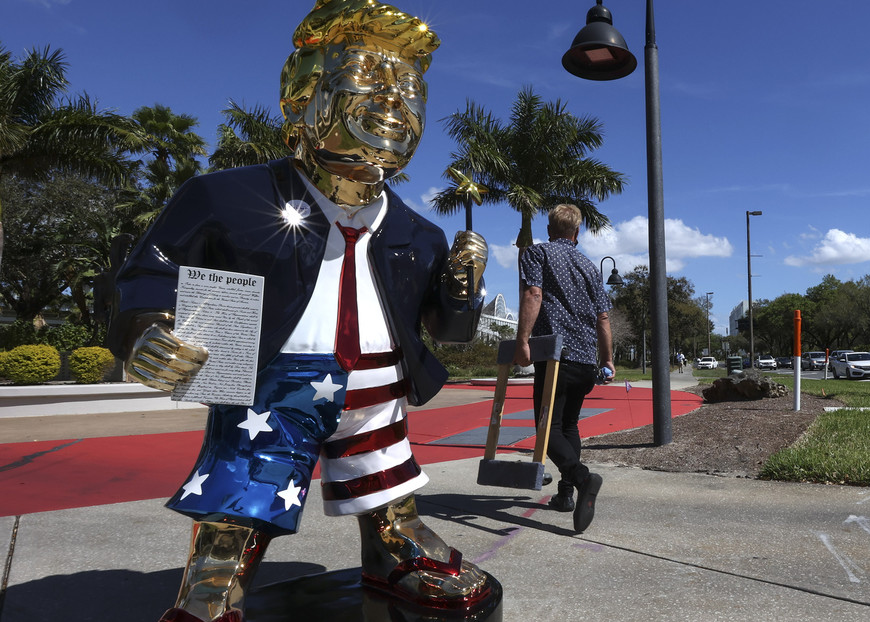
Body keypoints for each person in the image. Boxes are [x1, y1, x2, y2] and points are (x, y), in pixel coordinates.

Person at [107, 2, 499, 620]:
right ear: (302, 92)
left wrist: (460, 290)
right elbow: (148, 270)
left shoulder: (419, 233)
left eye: (411, 87)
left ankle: (394, 548)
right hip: (271, 386)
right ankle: (214, 584)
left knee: (386, 476)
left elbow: (445, 329)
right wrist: (145, 326)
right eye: (370, 76)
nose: (396, 98)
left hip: (378, 390)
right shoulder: (228, 198)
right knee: (245, 484)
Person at [512, 204, 614, 533]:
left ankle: (582, 479)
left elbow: (533, 293)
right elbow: (602, 317)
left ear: (549, 228)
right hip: (586, 360)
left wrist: (523, 340)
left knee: (545, 428)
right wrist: (607, 359)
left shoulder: (537, 253)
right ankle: (565, 495)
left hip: (555, 354)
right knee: (568, 426)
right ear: (577, 232)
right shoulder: (588, 265)